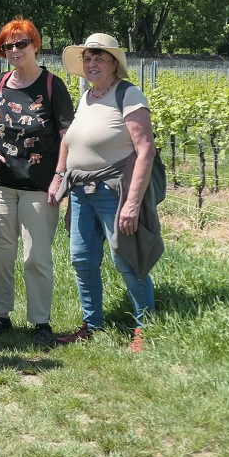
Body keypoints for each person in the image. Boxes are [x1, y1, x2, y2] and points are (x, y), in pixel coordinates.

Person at [52, 33, 159, 352]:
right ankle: (91, 324)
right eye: (87, 57)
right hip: (82, 191)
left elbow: (146, 150)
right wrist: (60, 175)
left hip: (115, 191)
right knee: (82, 259)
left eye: (99, 57)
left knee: (126, 257)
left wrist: (132, 204)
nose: (92, 62)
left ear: (114, 62)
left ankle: (145, 327)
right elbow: (69, 140)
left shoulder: (128, 94)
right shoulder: (87, 97)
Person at [0, 17, 75, 349]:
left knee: (36, 257)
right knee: (1, 254)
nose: (15, 50)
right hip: (0, 183)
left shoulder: (52, 85)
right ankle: (0, 317)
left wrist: (60, 176)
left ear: (35, 44)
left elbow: (66, 134)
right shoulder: (1, 82)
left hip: (39, 185)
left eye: (21, 44)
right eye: (8, 45)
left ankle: (40, 322)